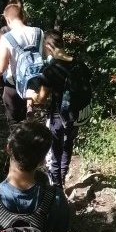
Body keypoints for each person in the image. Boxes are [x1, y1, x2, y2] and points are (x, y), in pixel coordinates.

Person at [0, 3, 44, 128]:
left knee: (14, 123)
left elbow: (1, 67)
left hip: (14, 86)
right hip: (34, 84)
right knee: (28, 123)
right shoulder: (39, 32)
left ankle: (17, 138)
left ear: (7, 19)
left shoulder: (7, 38)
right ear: (23, 16)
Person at [39, 30, 79, 188]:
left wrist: (31, 96)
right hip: (76, 114)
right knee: (68, 144)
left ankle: (56, 185)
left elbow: (41, 98)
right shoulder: (78, 63)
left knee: (54, 149)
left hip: (58, 116)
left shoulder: (51, 70)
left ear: (49, 46)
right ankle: (63, 175)